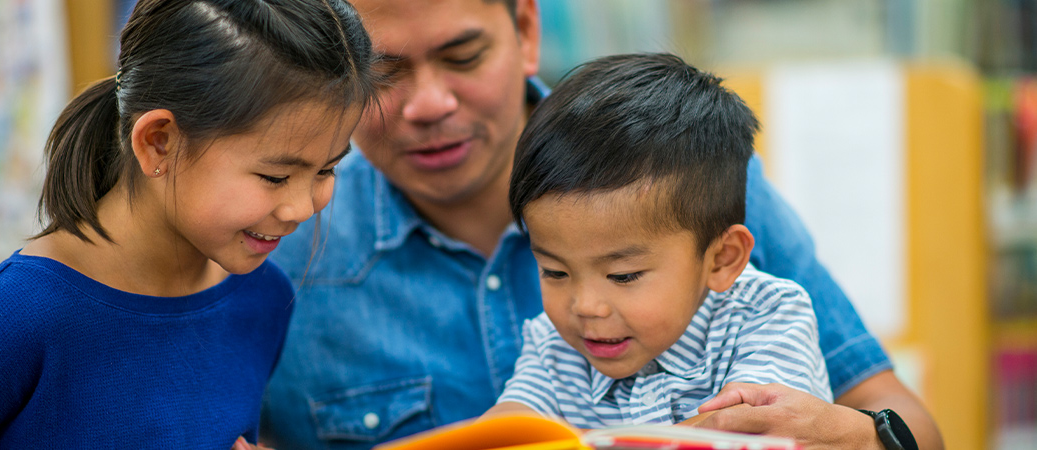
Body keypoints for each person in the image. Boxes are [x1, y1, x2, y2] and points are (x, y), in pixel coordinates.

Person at [261, 0, 943, 449]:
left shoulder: (694, 179)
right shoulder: (277, 241)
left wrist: (859, 435)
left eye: (463, 57)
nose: (429, 104)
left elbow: (908, 422)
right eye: (384, 74)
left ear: (526, 31)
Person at [0, 0, 375, 448]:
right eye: (275, 177)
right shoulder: (12, 318)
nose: (302, 208)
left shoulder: (263, 300)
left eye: (326, 170)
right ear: (158, 142)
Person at [483, 52, 833, 427]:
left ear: (721, 259)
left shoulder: (767, 315)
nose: (585, 307)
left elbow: (746, 428)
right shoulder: (551, 346)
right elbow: (509, 425)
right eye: (554, 272)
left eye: (623, 276)